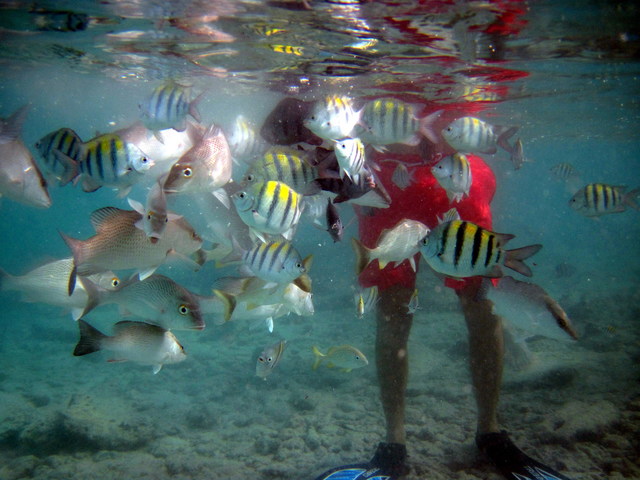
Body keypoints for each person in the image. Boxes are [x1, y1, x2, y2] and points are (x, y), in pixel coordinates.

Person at [312, 119, 574, 480]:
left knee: (481, 302)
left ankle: (491, 430)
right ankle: (394, 443)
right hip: (385, 178)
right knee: (393, 307)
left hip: (456, 172)